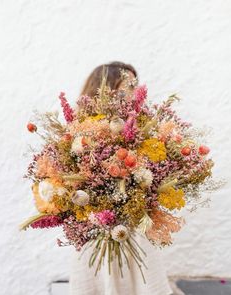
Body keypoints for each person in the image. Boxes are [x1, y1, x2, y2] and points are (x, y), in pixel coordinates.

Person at [69, 61, 173, 295]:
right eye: (127, 87)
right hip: (94, 229)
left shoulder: (142, 130)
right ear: (105, 90)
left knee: (144, 283)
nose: (134, 94)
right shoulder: (79, 132)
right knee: (96, 284)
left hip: (136, 228)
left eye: (135, 86)